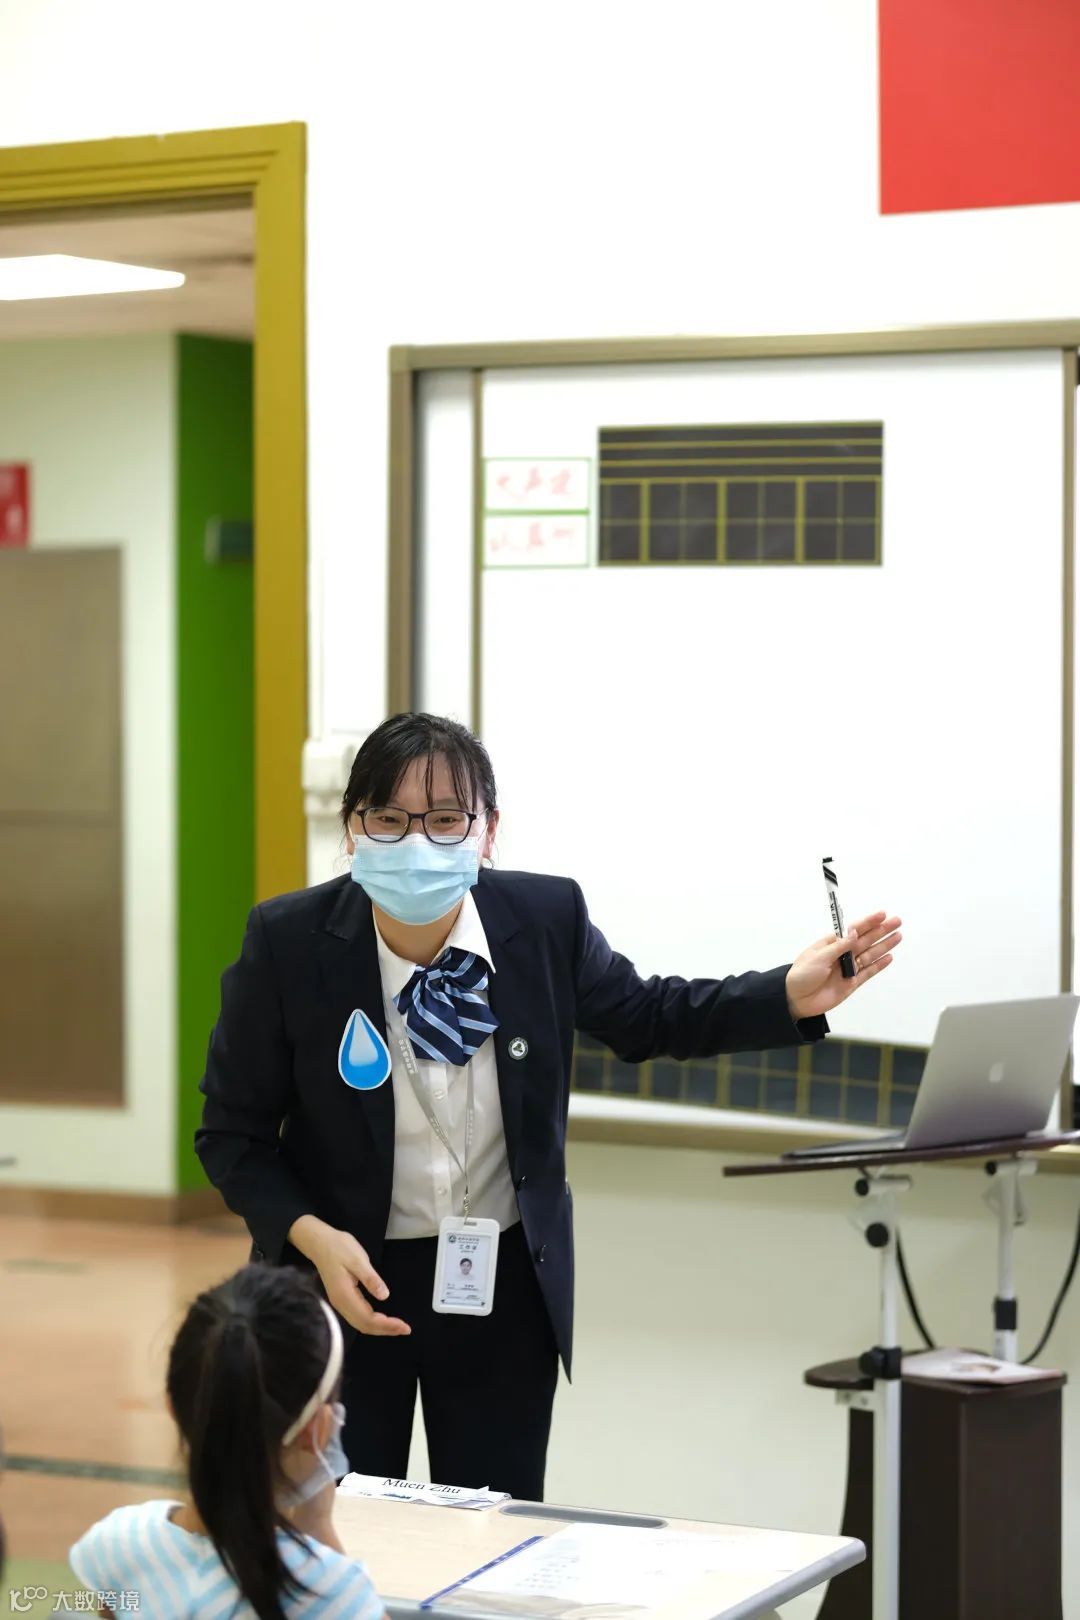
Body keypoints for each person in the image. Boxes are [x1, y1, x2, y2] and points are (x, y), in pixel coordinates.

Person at [196, 712, 900, 1501]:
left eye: (445, 819)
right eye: (389, 819)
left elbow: (650, 1017)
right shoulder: (288, 942)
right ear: (352, 828)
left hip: (500, 1286)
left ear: (488, 832)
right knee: (342, 1526)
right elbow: (231, 1134)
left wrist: (785, 995)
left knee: (494, 1533)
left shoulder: (542, 920)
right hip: (340, 1284)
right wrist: (313, 1237)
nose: (417, 842)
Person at [69, 1264, 385, 1620]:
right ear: (319, 1430)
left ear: (174, 1407)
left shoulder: (120, 1545)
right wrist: (318, 1526)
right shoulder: (333, 1592)